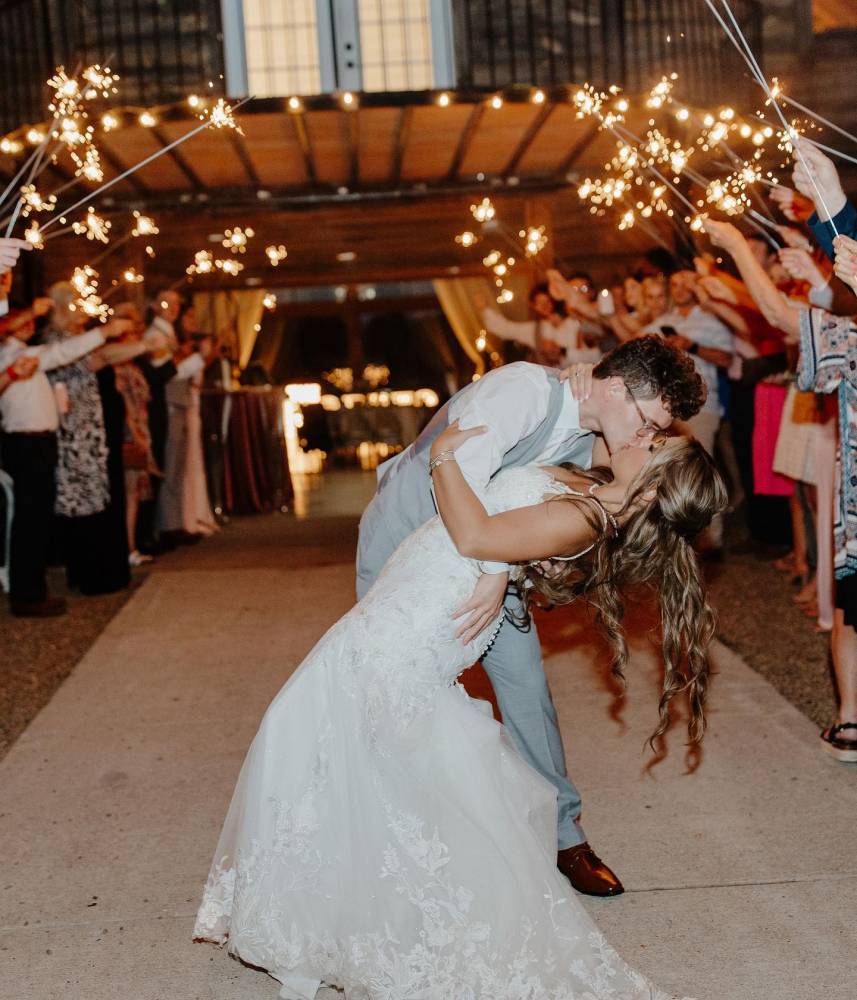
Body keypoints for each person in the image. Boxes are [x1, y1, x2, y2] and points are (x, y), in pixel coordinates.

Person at [194, 409, 724, 998]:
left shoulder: (584, 517)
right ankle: (338, 909)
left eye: (654, 446)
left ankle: (342, 916)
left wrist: (444, 456)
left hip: (419, 622)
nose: (645, 437)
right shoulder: (592, 490)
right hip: (413, 599)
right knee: (351, 754)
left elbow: (475, 538)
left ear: (650, 488)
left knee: (306, 727)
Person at [356, 337, 706, 897]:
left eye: (654, 433)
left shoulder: (601, 429)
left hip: (493, 564)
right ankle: (394, 835)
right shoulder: (521, 391)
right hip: (408, 549)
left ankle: (566, 836)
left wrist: (535, 561)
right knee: (392, 692)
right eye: (646, 423)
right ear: (617, 389)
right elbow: (463, 476)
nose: (644, 438)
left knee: (526, 690)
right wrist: (498, 570)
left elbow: (601, 497)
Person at [705, 217, 857, 763]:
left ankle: (850, 720)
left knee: (850, 612)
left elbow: (776, 315)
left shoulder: (851, 337)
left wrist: (735, 247)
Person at [0, 297, 125, 616]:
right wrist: (103, 333)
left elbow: (61, 353)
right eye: (20, 320)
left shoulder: (26, 353)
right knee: (30, 522)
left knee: (36, 520)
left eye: (30, 321)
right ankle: (27, 595)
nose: (29, 325)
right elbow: (63, 352)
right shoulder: (9, 355)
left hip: (39, 444)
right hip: (26, 445)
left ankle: (32, 590)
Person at [44, 283, 132, 596]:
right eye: (78, 303)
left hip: (89, 432)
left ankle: (96, 572)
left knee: (94, 498)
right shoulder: (58, 342)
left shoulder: (75, 338)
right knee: (83, 501)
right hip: (74, 434)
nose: (84, 308)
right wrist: (126, 339)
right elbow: (93, 361)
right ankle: (91, 574)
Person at [474, 283, 595, 367]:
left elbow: (593, 356)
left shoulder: (575, 322)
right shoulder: (536, 330)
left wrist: (562, 351)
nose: (544, 306)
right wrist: (484, 309)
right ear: (533, 306)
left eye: (547, 301)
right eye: (539, 303)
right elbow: (507, 329)